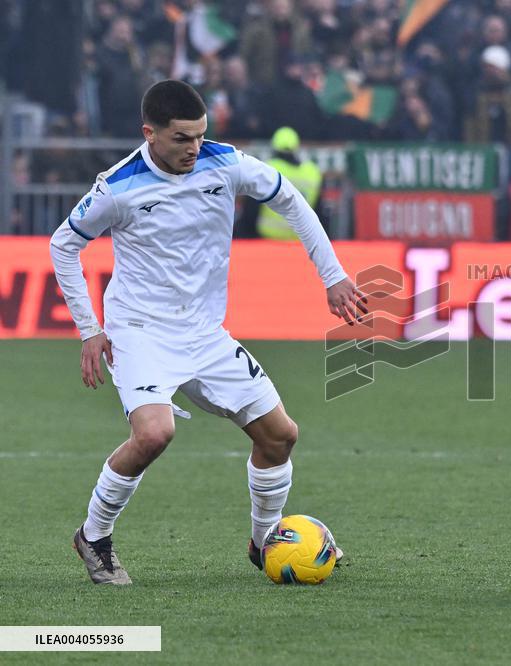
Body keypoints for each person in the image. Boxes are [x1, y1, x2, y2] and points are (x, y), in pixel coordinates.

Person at [50, 80, 367, 585]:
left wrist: (332, 275)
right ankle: (94, 536)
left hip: (203, 332)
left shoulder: (227, 162)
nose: (194, 148)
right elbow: (63, 245)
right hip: (139, 329)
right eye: (181, 139)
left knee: (280, 436)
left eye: (199, 136)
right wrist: (90, 330)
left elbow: (291, 201)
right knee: (154, 433)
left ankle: (263, 542)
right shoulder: (117, 186)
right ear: (149, 133)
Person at [254, 126, 323, 239]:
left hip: (268, 240)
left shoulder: (267, 169)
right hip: (301, 241)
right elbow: (319, 212)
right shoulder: (312, 172)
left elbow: (252, 209)